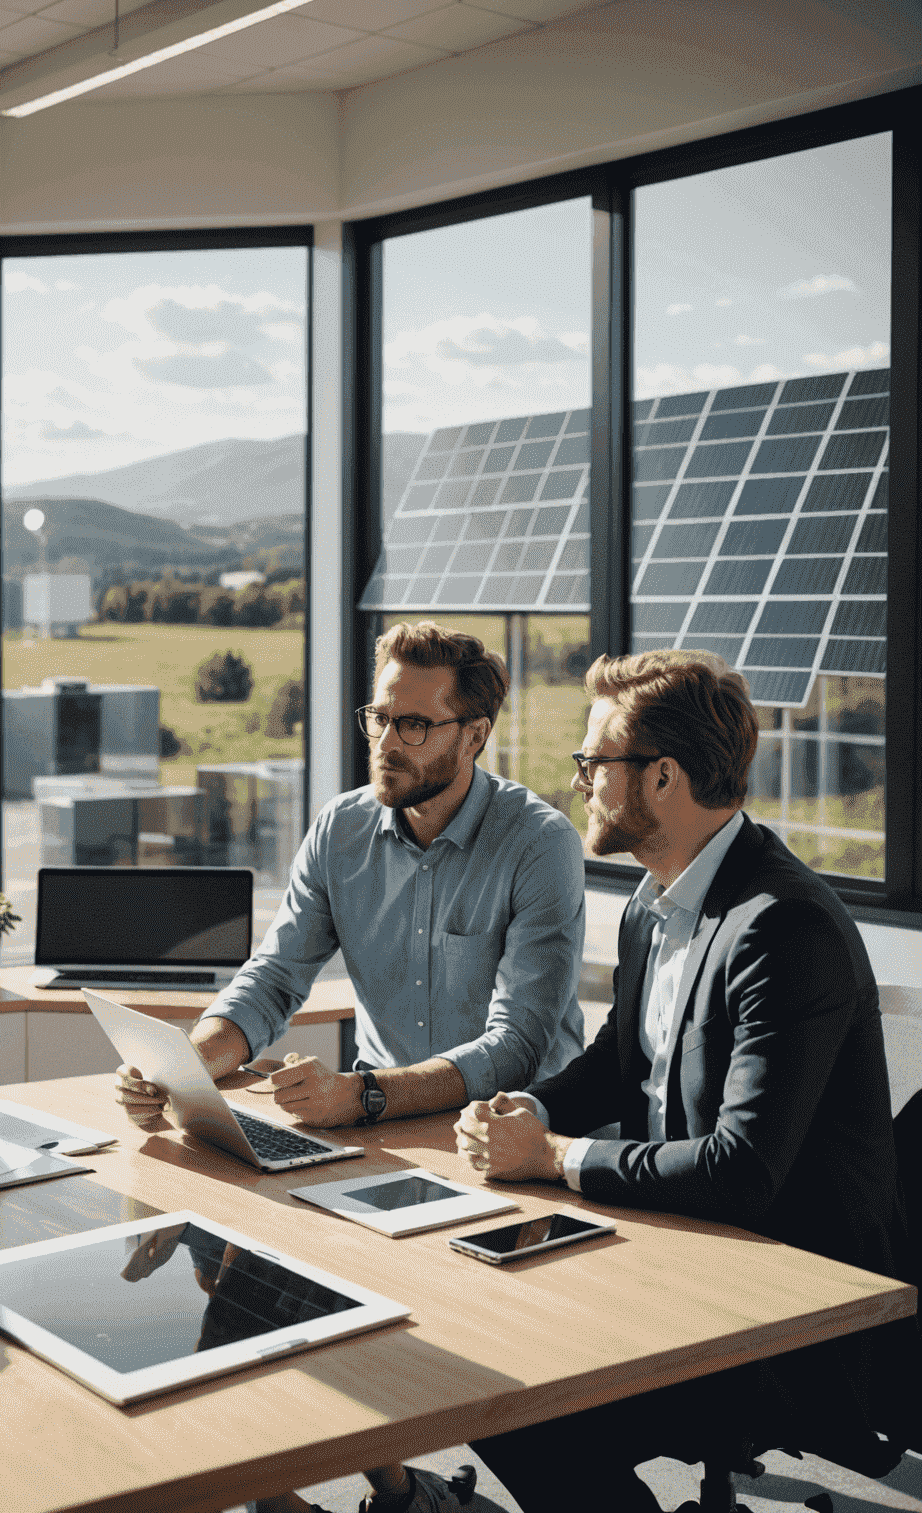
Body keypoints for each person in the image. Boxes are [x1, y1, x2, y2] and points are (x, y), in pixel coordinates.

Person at [115, 621, 585, 1513]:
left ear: (474, 733)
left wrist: (360, 1095)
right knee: (235, 1269)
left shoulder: (538, 843)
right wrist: (187, 1065)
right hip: (374, 1137)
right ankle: (317, 1495)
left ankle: (399, 1490)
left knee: (499, 1396)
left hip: (510, 1148)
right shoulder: (343, 829)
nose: (387, 741)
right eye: (379, 717)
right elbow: (274, 976)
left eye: (415, 724)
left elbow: (516, 1043)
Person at [454, 650, 914, 1513]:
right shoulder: (653, 902)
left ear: (662, 777)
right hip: (684, 1252)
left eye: (595, 763)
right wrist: (532, 1109)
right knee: (475, 1343)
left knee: (515, 1396)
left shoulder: (782, 928)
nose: (582, 781)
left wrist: (550, 1154)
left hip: (791, 1306)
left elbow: (744, 1170)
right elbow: (620, 1065)